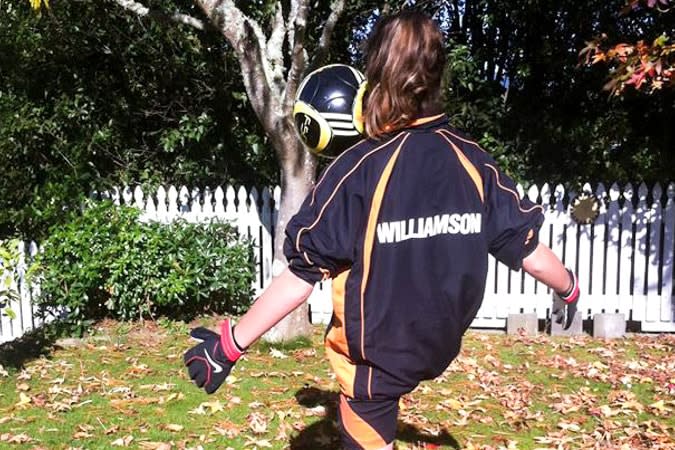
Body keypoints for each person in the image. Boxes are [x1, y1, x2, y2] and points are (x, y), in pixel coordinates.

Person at [184, 10, 580, 450]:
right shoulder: (474, 161)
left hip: (377, 358)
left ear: (371, 78)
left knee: (367, 420)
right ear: (438, 75)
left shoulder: (356, 170)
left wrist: (228, 345)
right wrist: (570, 289)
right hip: (439, 341)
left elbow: (300, 277)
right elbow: (526, 248)